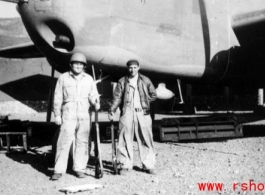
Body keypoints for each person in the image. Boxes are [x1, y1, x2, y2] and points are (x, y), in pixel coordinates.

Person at [51, 52, 100, 180]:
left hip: (84, 114)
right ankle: (58, 170)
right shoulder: (63, 78)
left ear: (84, 66)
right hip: (68, 114)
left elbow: (93, 95)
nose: (78, 66)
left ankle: (79, 168)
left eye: (81, 64)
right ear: (71, 65)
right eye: (76, 64)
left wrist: (96, 102)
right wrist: (57, 114)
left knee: (82, 142)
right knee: (63, 142)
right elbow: (57, 97)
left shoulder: (89, 79)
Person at [108, 59, 157, 175]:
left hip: (142, 113)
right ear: (127, 68)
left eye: (135, 67)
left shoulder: (145, 80)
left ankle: (148, 165)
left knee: (146, 138)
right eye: (130, 68)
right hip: (127, 112)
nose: (132, 70)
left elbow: (153, 94)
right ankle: (124, 164)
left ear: (139, 68)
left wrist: (144, 102)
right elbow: (117, 98)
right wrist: (112, 110)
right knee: (124, 138)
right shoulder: (122, 81)